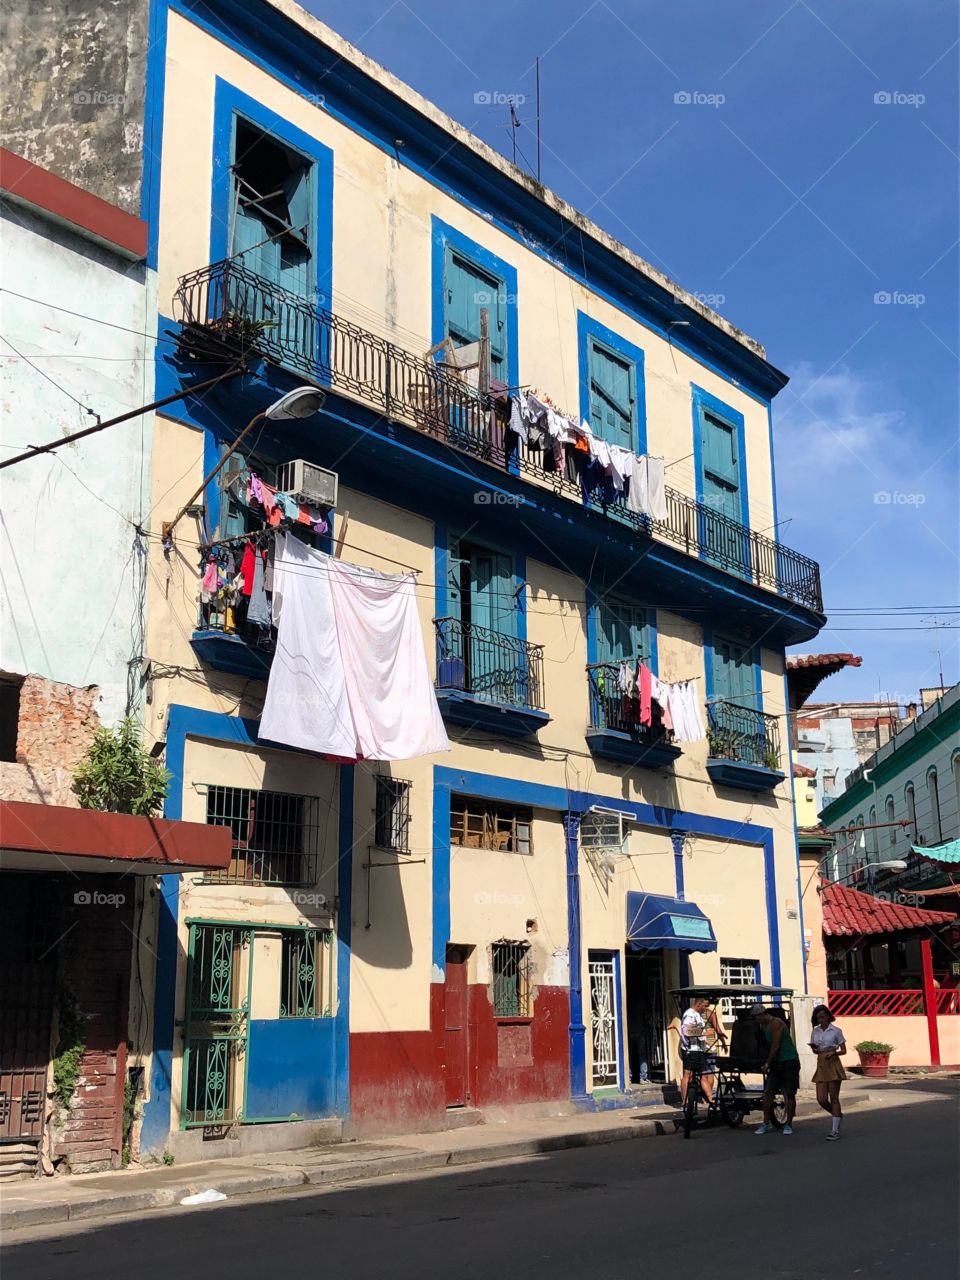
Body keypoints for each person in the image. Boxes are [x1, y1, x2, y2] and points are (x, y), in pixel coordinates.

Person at [751, 1004, 800, 1135]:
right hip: (777, 1062)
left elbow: (775, 1046)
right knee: (768, 1092)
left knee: (789, 1093)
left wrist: (767, 1063)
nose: (756, 1020)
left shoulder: (776, 1023)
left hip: (789, 1060)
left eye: (757, 1017)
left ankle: (788, 1124)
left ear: (762, 1014)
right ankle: (766, 1123)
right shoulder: (763, 1026)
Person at [679, 994, 727, 1105]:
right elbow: (687, 1032)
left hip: (699, 1050)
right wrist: (705, 1033)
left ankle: (710, 1099)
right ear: (699, 1004)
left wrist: (705, 1040)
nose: (706, 1009)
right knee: (688, 1074)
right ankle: (684, 1101)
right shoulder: (690, 1015)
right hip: (690, 1050)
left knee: (703, 1075)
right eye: (704, 1007)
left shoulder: (698, 1015)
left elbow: (698, 1032)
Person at [809, 1004, 847, 1141]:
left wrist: (834, 1053)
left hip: (832, 1062)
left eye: (823, 1017)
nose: (821, 1020)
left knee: (834, 1097)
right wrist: (814, 1048)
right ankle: (837, 1114)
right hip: (821, 1062)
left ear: (828, 1017)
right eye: (818, 1018)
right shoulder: (816, 1031)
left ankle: (835, 1129)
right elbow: (815, 1048)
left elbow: (844, 1050)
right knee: (821, 1099)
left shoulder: (836, 1031)